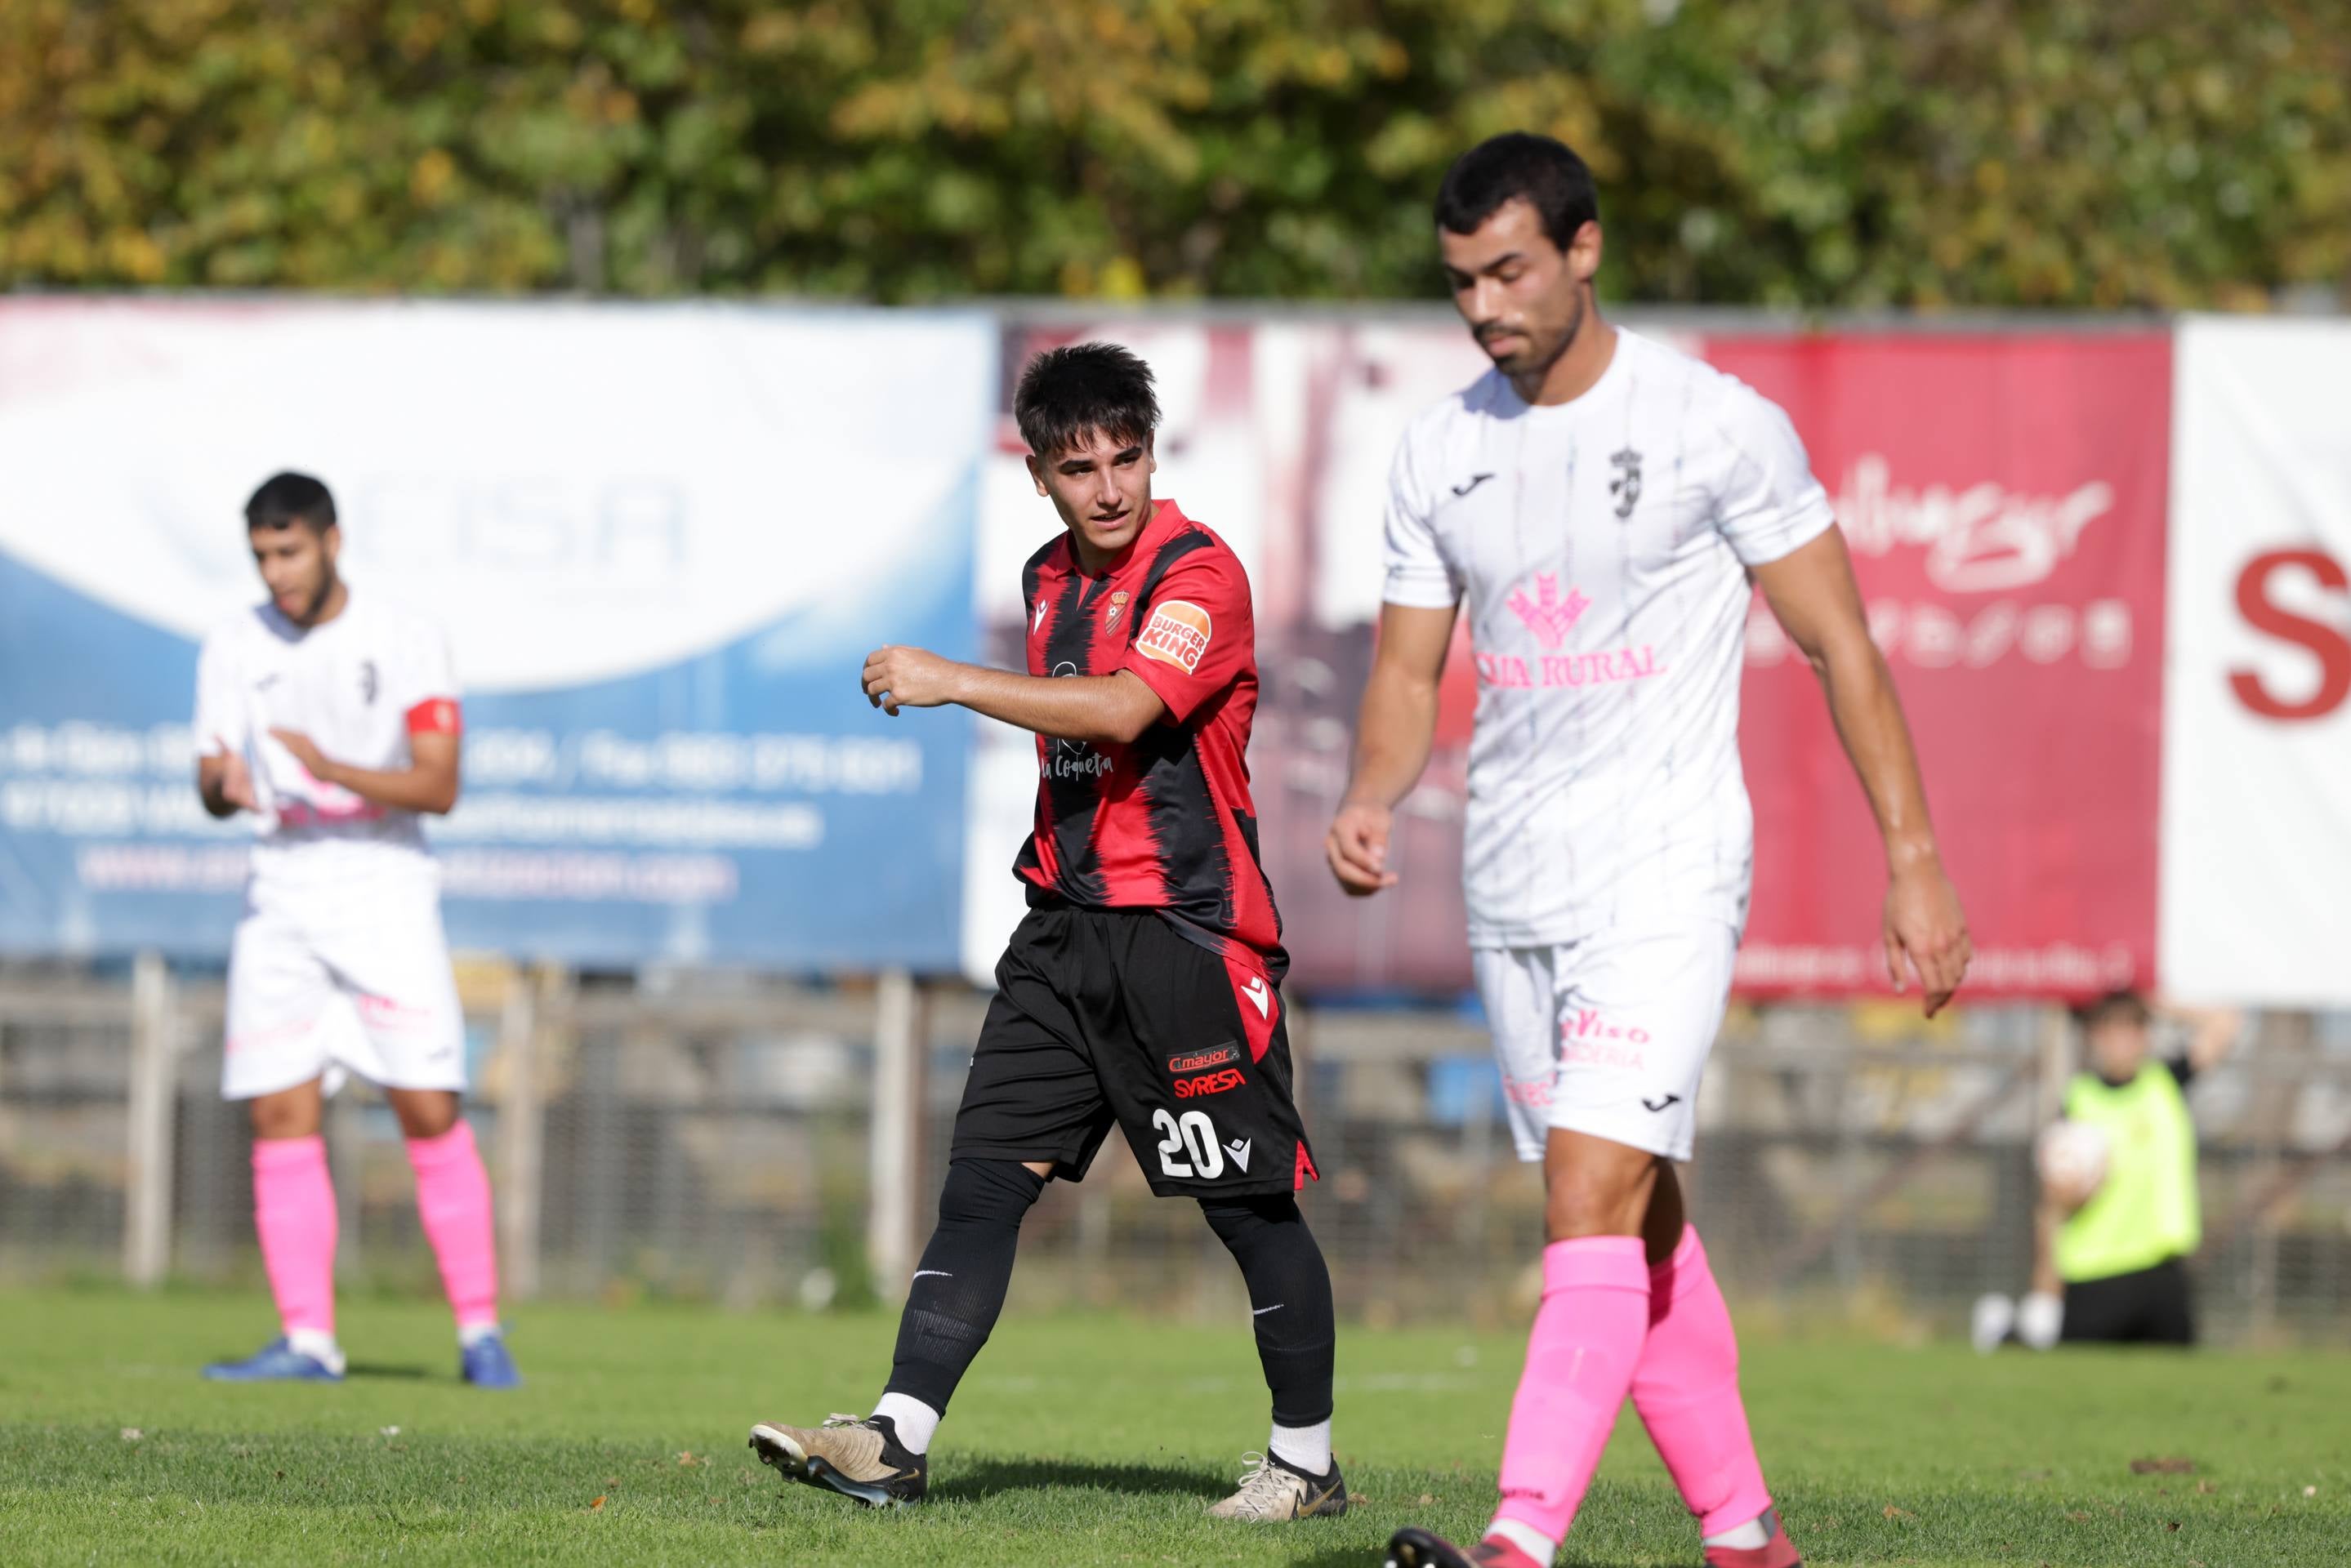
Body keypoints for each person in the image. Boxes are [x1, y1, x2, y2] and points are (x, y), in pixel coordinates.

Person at [1330, 136, 1973, 1568]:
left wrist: (1912, 857)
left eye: (1507, 271)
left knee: (1584, 1192)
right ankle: (1743, 1535)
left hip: (1666, 872)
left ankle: (1517, 1536)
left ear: (1582, 249)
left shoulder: (1710, 424)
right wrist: (1376, 791)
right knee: (1637, 1212)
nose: (1484, 307)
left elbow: (1838, 641)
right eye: (1458, 283)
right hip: (1511, 882)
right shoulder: (1439, 448)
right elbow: (1402, 668)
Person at [747, 344, 1345, 1522]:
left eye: (1127, 458)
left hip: (1185, 942)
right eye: (1080, 468)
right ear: (1040, 479)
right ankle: (894, 1440)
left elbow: (1124, 710)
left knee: (1247, 1209)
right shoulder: (1044, 580)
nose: (1110, 487)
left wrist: (949, 680)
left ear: (1152, 453)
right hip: (1061, 941)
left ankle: (1307, 1466)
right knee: (979, 1187)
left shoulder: (1200, 573)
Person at [194, 471, 517, 1387]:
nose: (276, 573)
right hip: (281, 894)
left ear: (332, 542)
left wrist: (327, 766)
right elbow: (209, 771)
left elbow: (438, 784)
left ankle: (479, 1334)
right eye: (262, 556)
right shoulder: (231, 645)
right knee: (279, 1110)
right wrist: (225, 785)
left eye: (289, 552)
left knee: (425, 1104)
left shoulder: (405, 638)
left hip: (383, 889)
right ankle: (307, 1342)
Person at [1976, 991, 2239, 1352]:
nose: (2120, 1042)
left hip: (2160, 1272)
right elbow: (2051, 1204)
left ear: (2145, 1035)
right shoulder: (2077, 1100)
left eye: (2131, 1030)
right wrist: (2046, 1281)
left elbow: (2224, 1024)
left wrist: (2149, 997)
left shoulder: (2166, 1084)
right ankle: (2007, 1331)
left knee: (2176, 1386)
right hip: (2094, 1273)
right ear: (2094, 1038)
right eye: (2110, 1031)